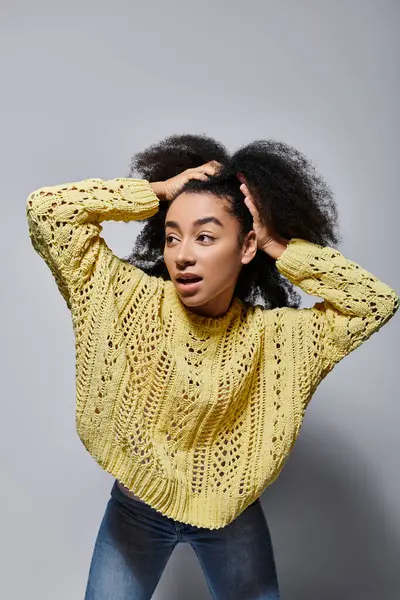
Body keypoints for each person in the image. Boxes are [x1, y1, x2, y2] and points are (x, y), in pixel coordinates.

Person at [26, 133, 399, 600]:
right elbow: (47, 209)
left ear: (244, 248)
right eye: (172, 236)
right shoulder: (128, 301)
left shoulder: (277, 340)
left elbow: (373, 302)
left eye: (205, 237)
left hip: (230, 519)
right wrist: (158, 192)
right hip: (135, 513)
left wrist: (277, 245)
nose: (183, 254)